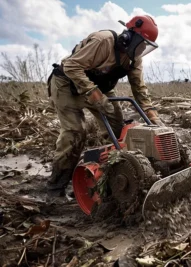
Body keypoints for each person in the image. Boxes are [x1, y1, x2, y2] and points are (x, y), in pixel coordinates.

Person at [46, 15, 163, 198]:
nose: (141, 50)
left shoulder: (134, 58)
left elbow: (139, 87)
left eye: (145, 47)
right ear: (129, 37)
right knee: (75, 132)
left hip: (98, 87)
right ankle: (55, 186)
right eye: (141, 44)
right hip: (66, 84)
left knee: (118, 129)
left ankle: (114, 174)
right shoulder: (104, 41)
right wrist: (94, 94)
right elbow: (71, 66)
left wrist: (152, 115)